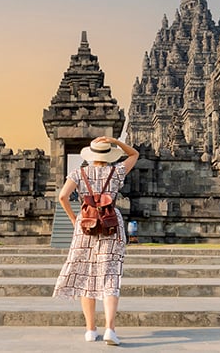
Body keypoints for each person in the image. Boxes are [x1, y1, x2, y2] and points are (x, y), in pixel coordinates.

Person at [53, 136, 139, 346]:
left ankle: (91, 330)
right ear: (109, 155)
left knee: (86, 276)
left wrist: (73, 219)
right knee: (110, 276)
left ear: (91, 155)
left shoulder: (79, 173)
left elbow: (62, 196)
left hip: (86, 224)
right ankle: (110, 329)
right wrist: (115, 141)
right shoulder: (116, 171)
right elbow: (135, 154)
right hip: (111, 224)